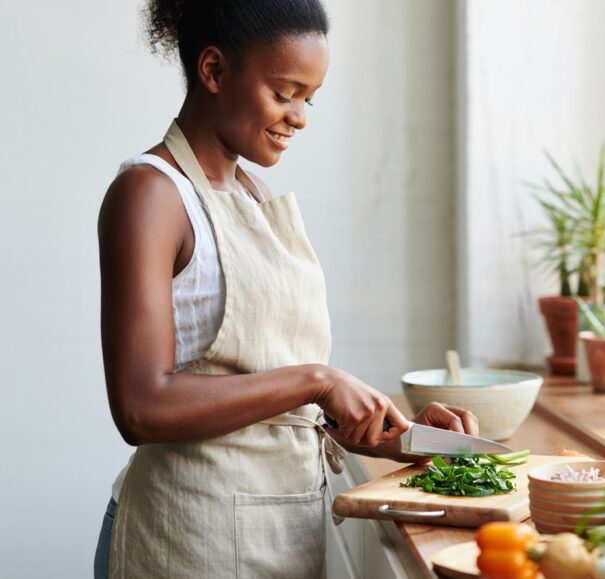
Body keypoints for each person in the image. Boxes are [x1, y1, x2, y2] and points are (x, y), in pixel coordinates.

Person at [94, 1, 478, 578]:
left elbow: (272, 398)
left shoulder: (251, 195)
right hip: (187, 539)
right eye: (285, 92)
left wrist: (405, 435)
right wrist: (320, 380)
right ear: (215, 71)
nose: (299, 117)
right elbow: (140, 406)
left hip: (278, 532)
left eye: (310, 98)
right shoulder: (150, 196)